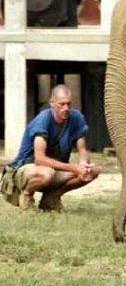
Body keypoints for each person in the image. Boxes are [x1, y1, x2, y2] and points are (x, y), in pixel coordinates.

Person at [1, 84, 100, 212]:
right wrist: (74, 168)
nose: (66, 108)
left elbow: (82, 149)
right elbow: (40, 160)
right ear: (52, 103)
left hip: (53, 169)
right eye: (61, 104)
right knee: (46, 173)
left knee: (93, 170)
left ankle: (51, 198)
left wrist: (83, 164)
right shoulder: (43, 120)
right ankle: (26, 197)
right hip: (26, 169)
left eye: (69, 104)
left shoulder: (76, 117)